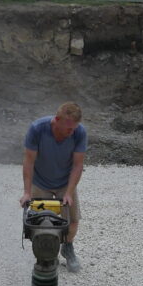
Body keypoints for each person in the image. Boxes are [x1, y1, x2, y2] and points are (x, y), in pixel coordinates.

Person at [19, 103, 87, 272]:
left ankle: (67, 247)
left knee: (72, 221)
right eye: (68, 129)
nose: (71, 132)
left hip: (65, 182)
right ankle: (48, 255)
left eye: (74, 129)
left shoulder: (79, 132)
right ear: (57, 120)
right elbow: (29, 161)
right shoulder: (37, 129)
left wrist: (69, 192)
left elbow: (78, 165)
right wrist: (27, 192)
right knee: (41, 223)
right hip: (41, 183)